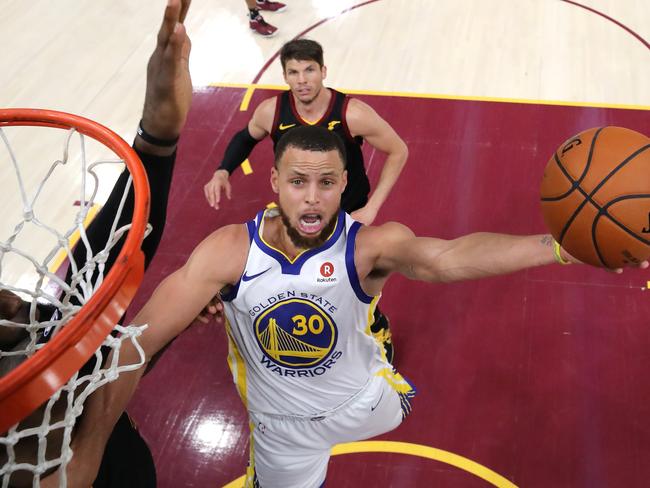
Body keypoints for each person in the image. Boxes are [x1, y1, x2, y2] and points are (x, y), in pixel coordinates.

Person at [69, 124, 646, 487]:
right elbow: (134, 345)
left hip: (370, 400)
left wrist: (559, 247)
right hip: (284, 427)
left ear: (347, 184)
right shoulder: (227, 252)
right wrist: (86, 453)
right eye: (298, 182)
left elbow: (446, 258)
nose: (313, 198)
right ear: (273, 181)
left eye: (327, 182)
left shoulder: (371, 245)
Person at [0, 0, 193, 486]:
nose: (8, 294)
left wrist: (158, 135)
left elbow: (101, 263)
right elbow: (77, 470)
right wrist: (104, 413)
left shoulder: (36, 335)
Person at [203, 38, 408, 362]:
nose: (302, 80)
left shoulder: (351, 113)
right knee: (304, 276)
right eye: (293, 72)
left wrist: (372, 207)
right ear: (285, 76)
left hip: (347, 213)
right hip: (297, 215)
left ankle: (376, 327)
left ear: (323, 71)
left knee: (356, 277)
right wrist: (222, 171)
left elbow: (399, 149)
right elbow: (245, 137)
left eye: (309, 70)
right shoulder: (272, 112)